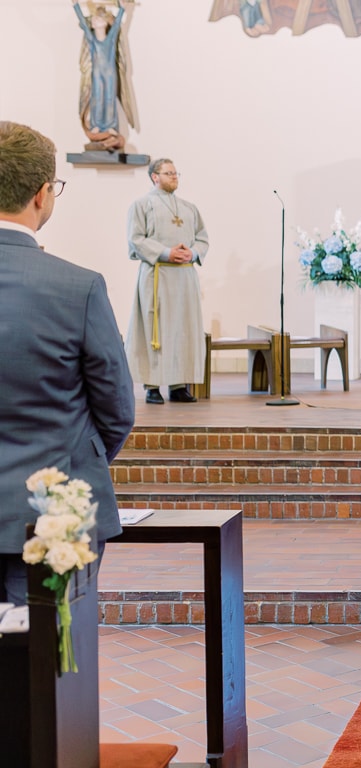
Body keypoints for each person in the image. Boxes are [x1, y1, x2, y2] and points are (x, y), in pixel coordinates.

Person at [0, 121, 135, 605]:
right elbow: (117, 410)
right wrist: (76, 466)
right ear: (42, 194)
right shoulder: (77, 288)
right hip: (54, 514)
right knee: (52, 671)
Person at [125, 158, 209, 404]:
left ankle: (179, 385)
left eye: (175, 173)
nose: (174, 177)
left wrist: (191, 253)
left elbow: (202, 239)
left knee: (183, 328)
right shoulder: (141, 205)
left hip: (184, 277)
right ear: (154, 176)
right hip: (157, 274)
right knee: (156, 329)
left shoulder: (189, 208)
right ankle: (152, 386)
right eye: (168, 173)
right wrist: (165, 252)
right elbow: (136, 240)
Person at [72, 0, 138, 151]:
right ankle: (96, 126)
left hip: (110, 75)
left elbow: (116, 27)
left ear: (105, 23)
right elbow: (83, 22)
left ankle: (110, 126)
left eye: (99, 18)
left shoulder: (110, 40)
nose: (95, 19)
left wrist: (122, 9)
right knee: (97, 99)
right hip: (96, 75)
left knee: (109, 99)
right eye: (94, 18)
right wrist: (75, 5)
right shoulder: (92, 40)